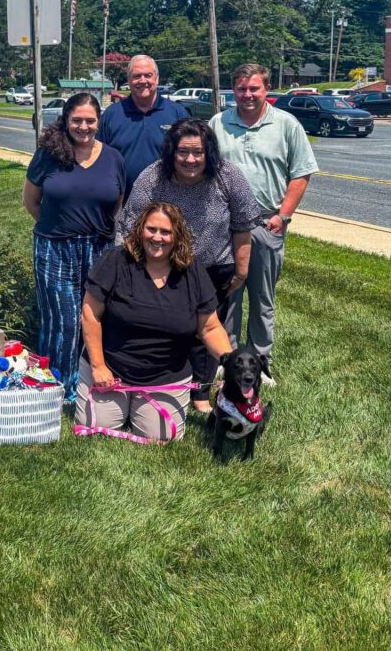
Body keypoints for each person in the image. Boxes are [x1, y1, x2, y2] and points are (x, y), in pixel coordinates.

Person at [115, 118, 260, 412]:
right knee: (170, 328)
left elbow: (243, 225)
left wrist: (241, 271)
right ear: (171, 152)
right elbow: (129, 225)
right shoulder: (153, 177)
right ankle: (164, 383)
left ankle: (201, 395)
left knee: (206, 330)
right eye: (183, 152)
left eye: (198, 152)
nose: (190, 160)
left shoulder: (227, 176)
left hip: (213, 266)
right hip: (164, 267)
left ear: (209, 153)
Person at [76, 202, 232, 440]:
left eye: (166, 232)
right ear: (140, 230)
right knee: (98, 429)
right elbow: (90, 313)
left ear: (177, 236)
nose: (157, 237)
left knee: (161, 436)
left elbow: (210, 327)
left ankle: (139, 406)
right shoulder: (116, 260)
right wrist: (98, 366)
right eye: (151, 229)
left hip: (165, 376)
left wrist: (230, 365)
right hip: (110, 369)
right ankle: (120, 402)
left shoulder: (192, 272)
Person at [210, 63, 318, 379]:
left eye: (254, 88)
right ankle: (225, 357)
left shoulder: (287, 125)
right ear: (234, 90)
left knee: (262, 297)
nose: (247, 94)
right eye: (242, 89)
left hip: (265, 222)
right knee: (228, 293)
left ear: (266, 90)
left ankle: (260, 360)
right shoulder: (219, 123)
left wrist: (283, 216)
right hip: (226, 224)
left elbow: (301, 172)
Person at [23, 93, 125, 399]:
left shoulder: (113, 158)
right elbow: (30, 201)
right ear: (66, 120)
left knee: (95, 316)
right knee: (63, 320)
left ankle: (89, 379)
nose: (83, 126)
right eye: (77, 120)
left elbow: (117, 203)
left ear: (99, 122)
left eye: (90, 120)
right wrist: (60, 227)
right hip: (55, 248)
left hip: (99, 249)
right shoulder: (48, 155)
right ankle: (57, 387)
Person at [96, 54, 188, 200]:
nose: (143, 80)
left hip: (167, 204)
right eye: (137, 76)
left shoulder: (177, 114)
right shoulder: (111, 115)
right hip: (121, 203)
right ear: (129, 80)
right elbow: (97, 159)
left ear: (157, 79)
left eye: (148, 75)